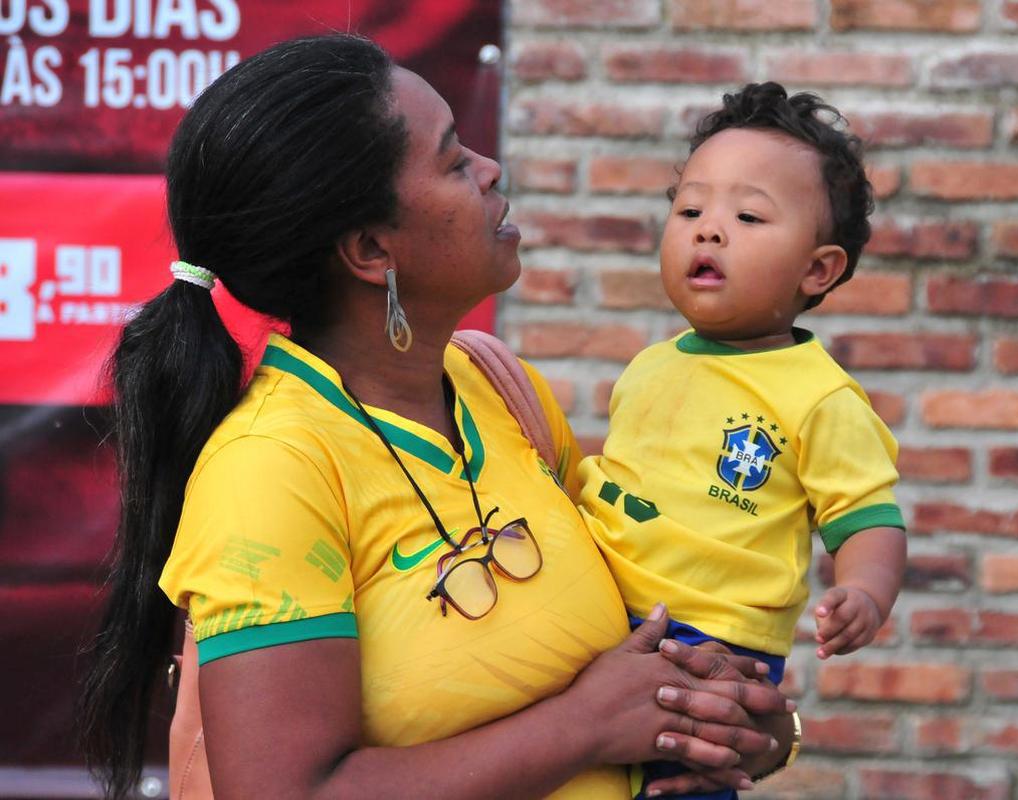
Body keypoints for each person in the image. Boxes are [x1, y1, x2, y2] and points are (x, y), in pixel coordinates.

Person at [77, 37, 797, 800]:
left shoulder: (495, 384)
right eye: (454, 162)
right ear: (369, 249)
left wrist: (747, 727)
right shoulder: (272, 469)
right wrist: (582, 725)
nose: (490, 170)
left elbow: (644, 642)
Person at [577, 82, 909, 799]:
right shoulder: (649, 367)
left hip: (712, 647)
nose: (708, 230)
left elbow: (869, 518)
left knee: (686, 772)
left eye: (748, 215)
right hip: (599, 619)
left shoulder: (816, 396)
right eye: (690, 209)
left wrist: (865, 593)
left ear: (818, 269)